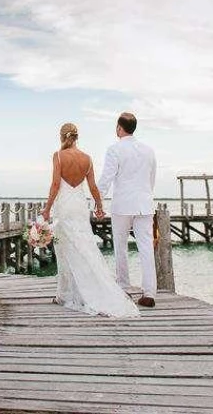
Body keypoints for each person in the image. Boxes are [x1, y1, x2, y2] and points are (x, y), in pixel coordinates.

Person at [41, 123, 139, 318]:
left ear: (62, 137)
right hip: (79, 205)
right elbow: (93, 186)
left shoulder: (59, 156)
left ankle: (65, 294)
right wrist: (99, 206)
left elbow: (54, 185)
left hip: (65, 206)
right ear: (77, 137)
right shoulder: (87, 159)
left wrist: (47, 208)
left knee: (66, 250)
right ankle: (82, 289)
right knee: (85, 246)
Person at [97, 112, 157, 307]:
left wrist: (98, 203)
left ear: (119, 128)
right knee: (146, 248)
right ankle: (149, 293)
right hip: (145, 204)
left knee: (120, 246)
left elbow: (106, 178)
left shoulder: (114, 149)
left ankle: (123, 288)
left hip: (123, 205)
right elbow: (151, 179)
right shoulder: (149, 150)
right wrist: (146, 196)